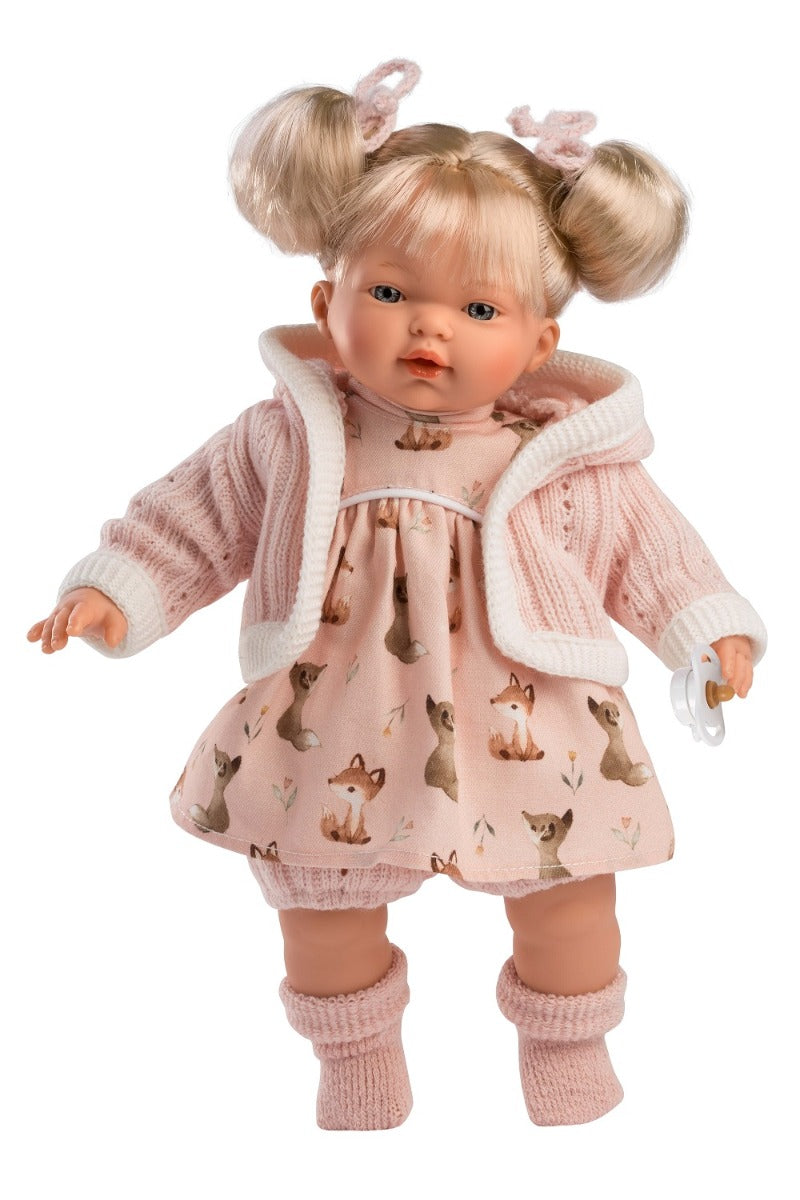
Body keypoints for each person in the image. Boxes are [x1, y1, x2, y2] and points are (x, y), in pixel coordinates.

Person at [28, 60, 766, 1130]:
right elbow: (191, 519)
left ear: (539, 343)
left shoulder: (562, 456)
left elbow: (655, 557)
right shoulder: (291, 436)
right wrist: (118, 590)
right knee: (321, 909)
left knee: (569, 898)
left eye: (479, 307)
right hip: (334, 713)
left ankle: (567, 1052)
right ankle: (357, 1061)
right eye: (389, 294)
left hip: (536, 716)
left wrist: (705, 632)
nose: (431, 329)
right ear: (325, 305)